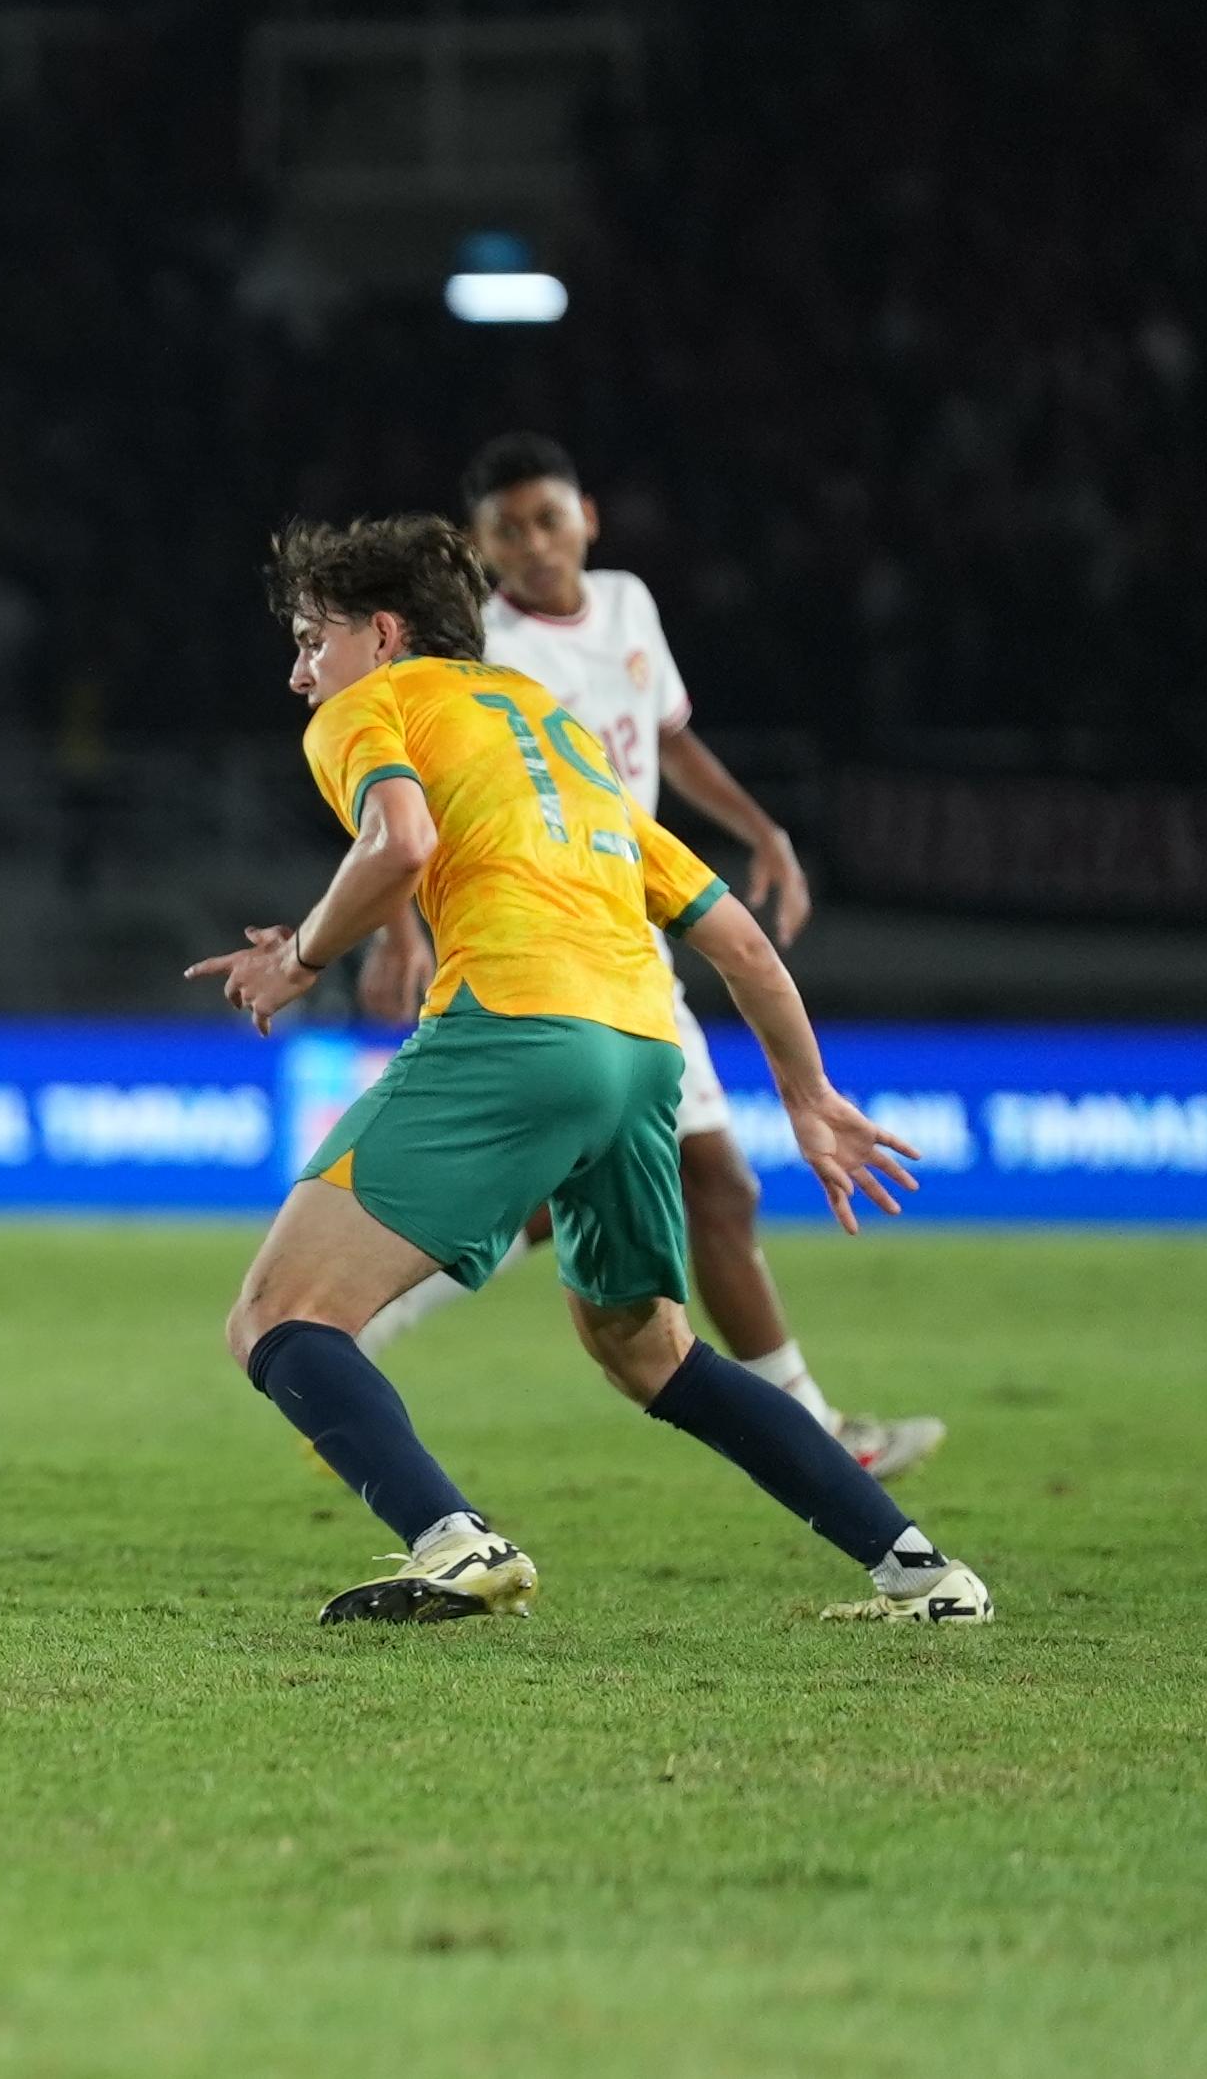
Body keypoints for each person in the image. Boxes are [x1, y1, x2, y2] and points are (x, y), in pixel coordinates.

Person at [190, 516, 989, 1625]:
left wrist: (300, 960)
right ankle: (921, 1572)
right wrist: (807, 1098)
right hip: (639, 1051)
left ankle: (451, 1540)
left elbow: (399, 842)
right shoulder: (556, 735)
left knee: (274, 1314)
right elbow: (738, 943)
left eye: (307, 639)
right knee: (646, 1348)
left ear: (379, 635)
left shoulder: (367, 707)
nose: (297, 672)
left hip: (511, 1029)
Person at [360, 435, 947, 1481]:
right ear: (480, 549)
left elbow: (664, 738)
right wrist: (401, 927)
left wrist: (758, 831)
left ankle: (366, 1318)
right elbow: (419, 794)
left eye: (547, 518)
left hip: (635, 915)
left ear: (586, 515)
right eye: (507, 531)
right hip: (560, 927)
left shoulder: (626, 605)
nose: (533, 544)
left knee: (579, 1186)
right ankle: (817, 1433)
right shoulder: (483, 651)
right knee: (710, 1187)